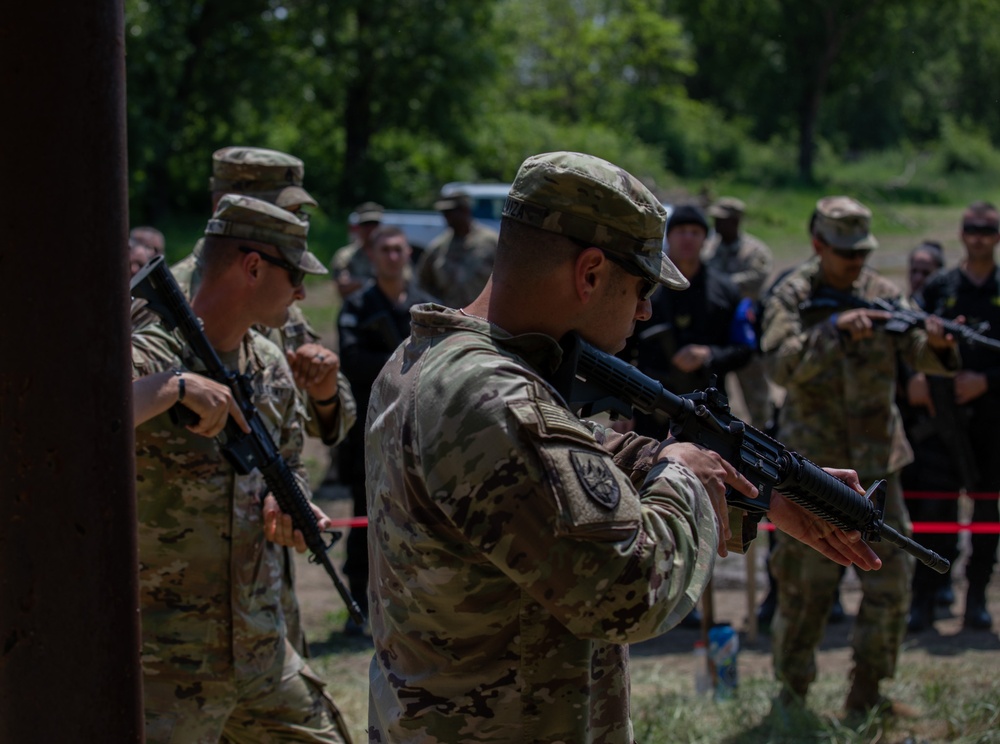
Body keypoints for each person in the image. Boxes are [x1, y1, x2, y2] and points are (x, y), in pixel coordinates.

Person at [365, 152, 883, 743]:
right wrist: (684, 475)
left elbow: (579, 460)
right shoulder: (496, 397)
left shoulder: (432, 358)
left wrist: (761, 494)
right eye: (641, 286)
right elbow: (629, 593)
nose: (645, 310)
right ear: (589, 273)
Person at [131, 195, 352, 743]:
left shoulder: (270, 364)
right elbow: (70, 424)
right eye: (295, 274)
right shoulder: (152, 351)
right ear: (253, 267)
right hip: (163, 665)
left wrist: (288, 501)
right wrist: (175, 388)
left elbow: (293, 461)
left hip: (260, 655)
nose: (303, 292)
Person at [151, 145, 358, 656]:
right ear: (229, 202)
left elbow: (324, 425)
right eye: (283, 207)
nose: (295, 222)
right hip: (173, 578)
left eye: (298, 211)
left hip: (259, 574)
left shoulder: (279, 289)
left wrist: (326, 389)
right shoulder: (162, 298)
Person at [760, 196, 959, 717]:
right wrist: (834, 332)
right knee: (806, 589)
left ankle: (868, 696)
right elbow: (781, 366)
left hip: (877, 467)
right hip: (813, 474)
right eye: (845, 250)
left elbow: (919, 351)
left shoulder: (884, 294)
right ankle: (792, 700)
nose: (855, 261)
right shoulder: (792, 293)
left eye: (862, 251)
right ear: (818, 244)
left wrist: (938, 345)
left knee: (890, 585)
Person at [335, 226, 436, 636]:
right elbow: (352, 359)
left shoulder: (422, 307)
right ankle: (358, 604)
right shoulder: (358, 306)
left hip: (416, 430)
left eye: (399, 250)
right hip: (367, 428)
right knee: (365, 517)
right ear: (373, 257)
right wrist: (403, 365)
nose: (393, 257)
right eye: (385, 251)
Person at [917, 201, 1000, 631]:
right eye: (972, 228)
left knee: (987, 515)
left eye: (987, 229)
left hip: (992, 422)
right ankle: (926, 601)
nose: (979, 236)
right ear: (961, 232)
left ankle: (977, 600)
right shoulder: (940, 287)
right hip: (943, 422)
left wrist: (986, 380)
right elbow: (912, 339)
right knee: (934, 513)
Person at [896, 241, 963, 632]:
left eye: (928, 271)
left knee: (940, 518)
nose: (919, 278)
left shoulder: (942, 321)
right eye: (914, 270)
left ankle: (935, 591)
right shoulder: (897, 314)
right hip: (903, 438)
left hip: (942, 440)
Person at [702, 196, 775, 427]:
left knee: (756, 393)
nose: (717, 224)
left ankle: (767, 435)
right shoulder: (709, 249)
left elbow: (755, 281)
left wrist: (721, 285)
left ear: (735, 221)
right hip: (717, 331)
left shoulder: (754, 252)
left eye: (721, 220)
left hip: (745, 330)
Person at [415, 188, 498, 307]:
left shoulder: (490, 242)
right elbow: (422, 281)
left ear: (465, 211)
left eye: (451, 212)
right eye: (444, 213)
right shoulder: (438, 247)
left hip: (483, 316)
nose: (447, 217)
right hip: (451, 316)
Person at [330, 201, 384, 300]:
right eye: (366, 224)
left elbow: (405, 282)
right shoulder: (345, 255)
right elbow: (343, 286)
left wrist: (357, 283)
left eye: (374, 224)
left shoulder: (391, 254)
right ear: (359, 228)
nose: (370, 229)